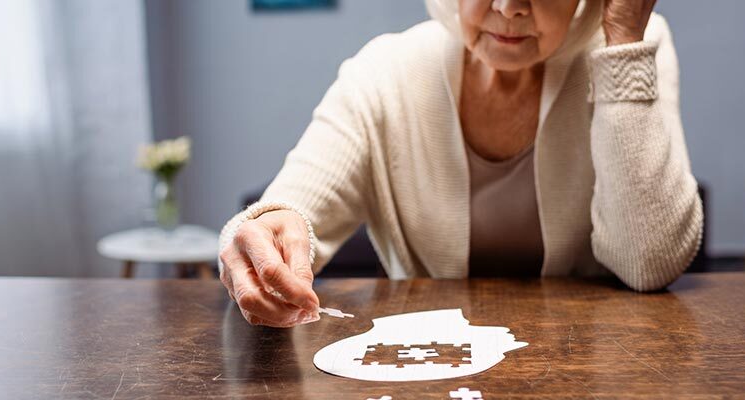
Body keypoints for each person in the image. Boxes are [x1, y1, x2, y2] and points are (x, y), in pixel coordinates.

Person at [217, 0, 703, 327]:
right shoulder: (385, 70)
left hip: (596, 365)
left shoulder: (631, 45)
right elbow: (288, 210)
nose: (510, 6)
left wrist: (622, 42)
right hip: (427, 370)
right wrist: (263, 233)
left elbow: (648, 265)